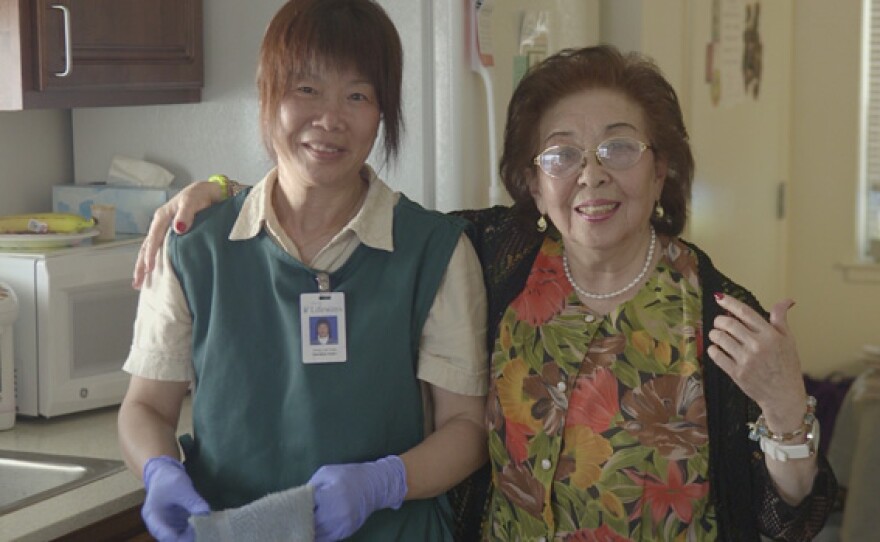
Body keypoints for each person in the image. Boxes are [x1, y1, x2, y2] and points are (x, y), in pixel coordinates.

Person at [134, 45, 837, 541]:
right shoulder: (492, 256)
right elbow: (344, 212)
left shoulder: (718, 312)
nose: (590, 176)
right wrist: (221, 196)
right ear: (533, 182)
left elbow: (792, 519)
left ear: (662, 171)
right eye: (561, 154)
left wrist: (784, 413)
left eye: (619, 148)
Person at [117, 1, 488, 541]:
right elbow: (146, 406)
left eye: (357, 95)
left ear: (382, 111)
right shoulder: (192, 245)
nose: (331, 119)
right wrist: (158, 469)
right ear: (268, 97)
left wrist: (384, 482)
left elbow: (467, 429)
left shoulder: (435, 251)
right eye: (306, 90)